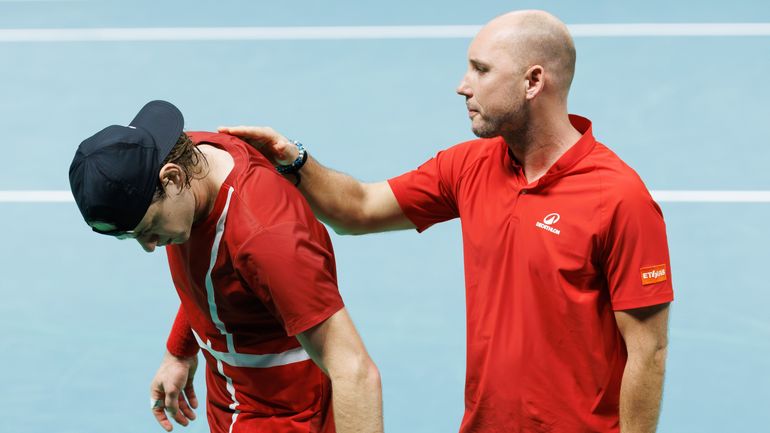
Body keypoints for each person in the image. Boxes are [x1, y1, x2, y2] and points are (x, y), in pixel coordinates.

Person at [218, 9, 673, 433]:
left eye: (481, 70)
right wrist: (293, 159)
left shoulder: (619, 197)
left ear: (533, 81)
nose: (463, 86)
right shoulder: (470, 166)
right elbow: (358, 208)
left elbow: (647, 353)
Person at [68, 100, 383, 433]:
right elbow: (218, 274)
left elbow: (354, 371)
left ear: (172, 178)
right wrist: (179, 350)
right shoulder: (191, 160)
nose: (148, 246)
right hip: (235, 394)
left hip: (279, 415)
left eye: (148, 229)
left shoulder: (265, 238)